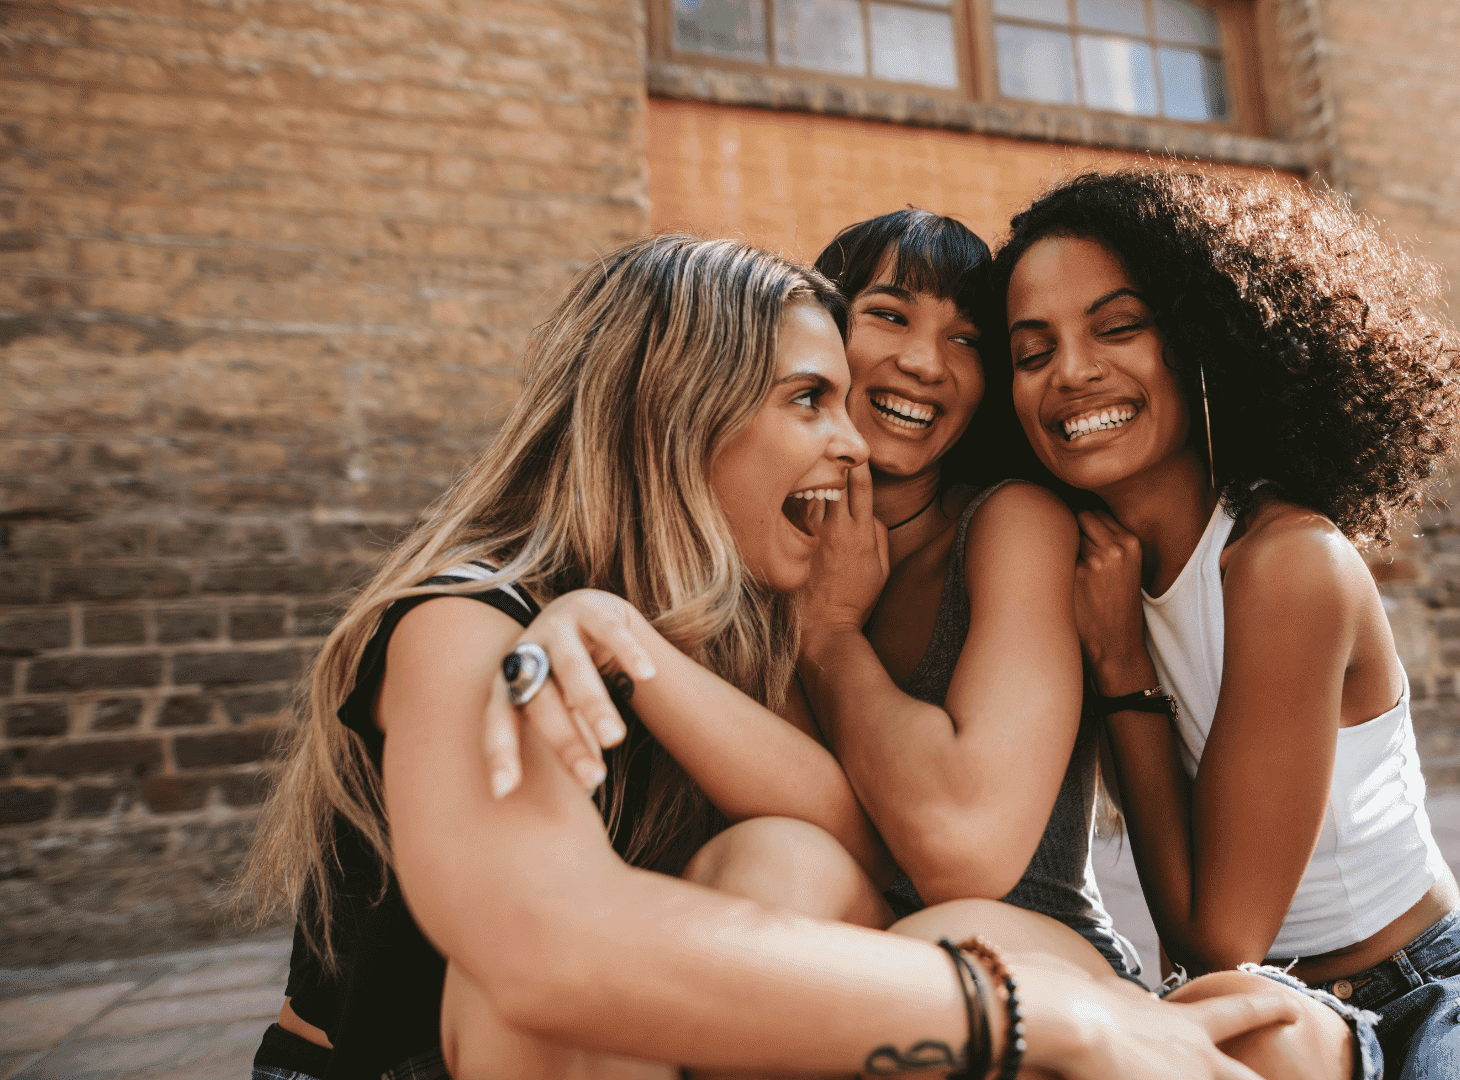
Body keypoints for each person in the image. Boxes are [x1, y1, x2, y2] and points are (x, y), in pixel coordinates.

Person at [238, 234, 1300, 1080]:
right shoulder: (464, 623)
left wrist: (634, 640)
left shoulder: (711, 622)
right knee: (559, 1005)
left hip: (610, 1034)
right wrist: (1041, 1017)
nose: (852, 446)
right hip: (420, 1061)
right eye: (808, 400)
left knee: (786, 864)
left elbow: (847, 836)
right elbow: (548, 949)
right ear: (675, 409)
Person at [496, 211, 1369, 1079]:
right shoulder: (773, 538)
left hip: (1026, 943)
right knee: (767, 865)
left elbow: (967, 850)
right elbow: (815, 814)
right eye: (889, 314)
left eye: (968, 339)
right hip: (858, 930)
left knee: (914, 936)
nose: (926, 361)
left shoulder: (1012, 525)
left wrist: (831, 638)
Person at [989, 169, 1460, 1079]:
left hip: (1443, 991)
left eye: (1118, 327)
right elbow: (1214, 970)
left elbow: (1217, 938)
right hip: (1274, 1013)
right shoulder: (1086, 570)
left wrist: (1121, 671)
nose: (1071, 372)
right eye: (1033, 351)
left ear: (1202, 343)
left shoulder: (1285, 562)